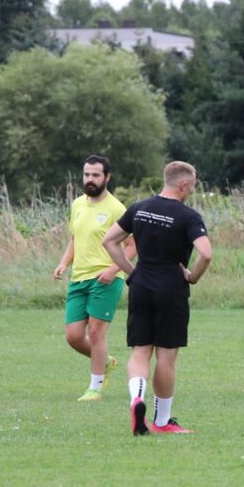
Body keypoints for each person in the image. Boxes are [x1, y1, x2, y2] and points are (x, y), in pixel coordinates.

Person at [102, 161, 212, 436]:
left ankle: (136, 399)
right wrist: (193, 277)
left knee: (140, 351)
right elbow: (206, 253)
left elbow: (109, 241)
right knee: (166, 356)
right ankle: (161, 421)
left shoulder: (139, 208)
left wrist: (132, 272)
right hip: (171, 288)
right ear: (184, 185)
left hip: (141, 286)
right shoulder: (188, 216)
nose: (192, 190)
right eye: (193, 185)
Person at [53, 155, 136, 402]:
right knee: (74, 336)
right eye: (87, 174)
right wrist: (64, 263)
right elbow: (75, 239)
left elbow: (133, 245)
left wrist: (113, 269)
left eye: (96, 175)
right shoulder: (78, 204)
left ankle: (95, 388)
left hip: (106, 278)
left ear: (107, 177)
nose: (90, 179)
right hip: (79, 278)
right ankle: (106, 362)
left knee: (97, 333)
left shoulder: (116, 209)